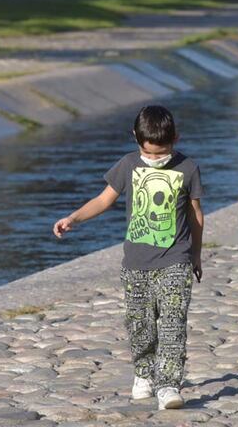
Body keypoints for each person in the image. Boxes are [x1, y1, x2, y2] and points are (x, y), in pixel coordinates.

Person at [53, 105, 204, 411]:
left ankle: (169, 385)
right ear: (136, 138)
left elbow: (195, 214)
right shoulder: (127, 165)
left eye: (162, 153)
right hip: (136, 264)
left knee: (173, 323)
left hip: (176, 259)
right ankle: (144, 373)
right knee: (141, 325)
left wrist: (196, 256)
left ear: (176, 138)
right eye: (149, 154)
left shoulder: (187, 167)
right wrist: (74, 218)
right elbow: (103, 200)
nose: (155, 159)